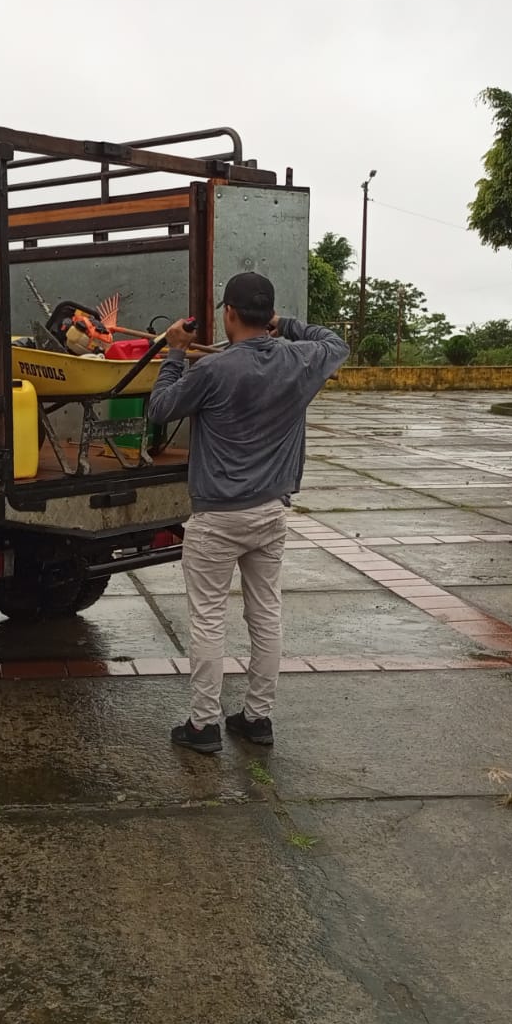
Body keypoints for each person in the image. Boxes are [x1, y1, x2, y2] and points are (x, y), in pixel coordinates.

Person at [147, 271, 349, 753]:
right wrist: (288, 324)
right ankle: (257, 718)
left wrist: (174, 352)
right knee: (266, 614)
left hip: (216, 518)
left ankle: (203, 725)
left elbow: (159, 409)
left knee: (208, 620)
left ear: (229, 313)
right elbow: (337, 343)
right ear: (268, 314)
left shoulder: (213, 370)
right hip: (271, 512)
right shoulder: (301, 360)